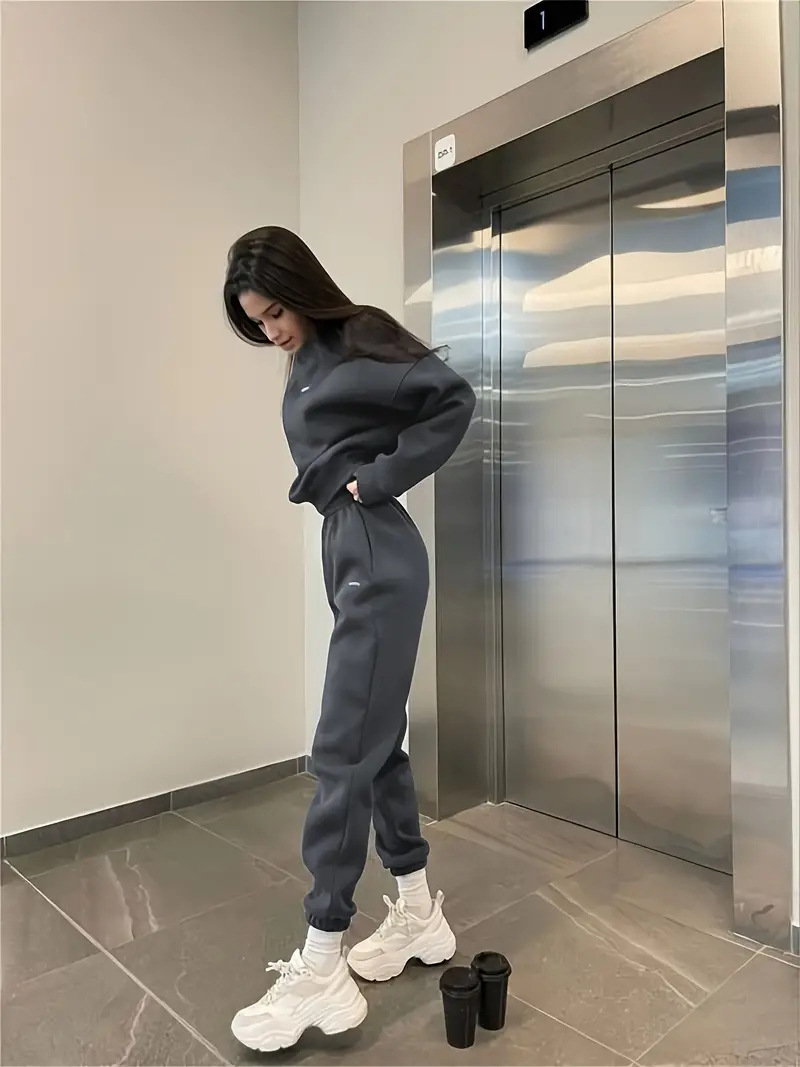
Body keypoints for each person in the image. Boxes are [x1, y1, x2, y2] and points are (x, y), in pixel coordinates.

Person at [223, 227, 476, 1053]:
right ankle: (418, 913)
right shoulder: (305, 358)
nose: (271, 330)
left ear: (300, 289)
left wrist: (382, 476)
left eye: (276, 312)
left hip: (374, 549)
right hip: (350, 551)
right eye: (257, 321)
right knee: (376, 742)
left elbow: (451, 397)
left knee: (340, 750)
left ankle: (323, 962)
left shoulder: (358, 334)